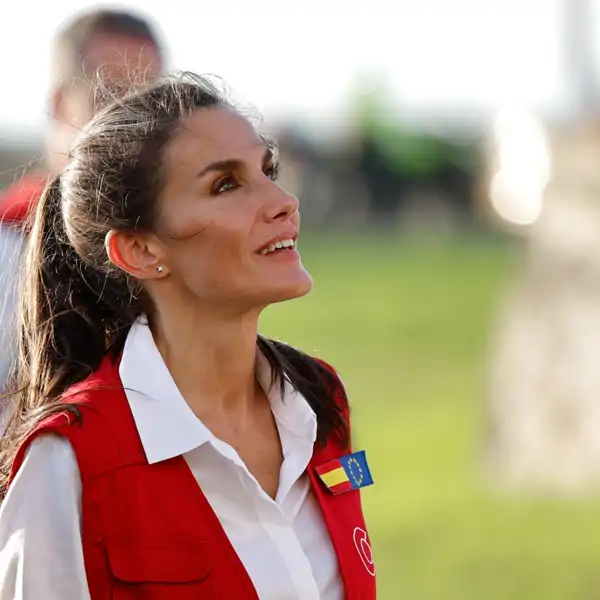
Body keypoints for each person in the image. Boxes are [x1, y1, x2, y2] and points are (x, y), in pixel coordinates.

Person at [0, 73, 376, 599]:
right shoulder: (69, 461)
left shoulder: (319, 401)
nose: (284, 201)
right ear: (140, 251)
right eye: (226, 184)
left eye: (268, 170)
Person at [0, 8, 164, 393]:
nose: (130, 122)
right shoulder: (8, 246)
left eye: (149, 102)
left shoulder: (178, 239)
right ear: (60, 104)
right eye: (108, 96)